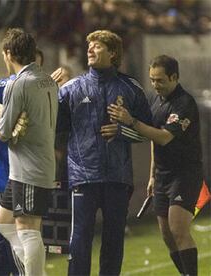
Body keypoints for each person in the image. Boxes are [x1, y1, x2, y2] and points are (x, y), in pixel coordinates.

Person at [56, 29, 152, 275]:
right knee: (79, 240)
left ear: (112, 54)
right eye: (89, 45)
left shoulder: (131, 88)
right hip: (83, 176)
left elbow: (148, 132)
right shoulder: (71, 89)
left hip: (117, 177)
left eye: (97, 46)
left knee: (113, 240)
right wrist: (50, 93)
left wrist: (123, 131)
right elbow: (55, 129)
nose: (90, 49)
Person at [108, 55, 203, 275]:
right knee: (167, 235)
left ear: (174, 77)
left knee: (178, 228)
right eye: (152, 80)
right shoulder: (157, 101)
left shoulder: (184, 103)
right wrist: (152, 174)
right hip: (163, 175)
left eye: (160, 80)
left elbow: (163, 137)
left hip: (185, 174)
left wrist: (131, 121)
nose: (155, 85)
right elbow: (154, 141)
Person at [0, 28, 58, 276]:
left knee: (28, 229)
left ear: (9, 54)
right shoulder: (47, 79)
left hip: (29, 168)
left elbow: (2, 132)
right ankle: (33, 272)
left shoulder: (18, 83)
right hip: (29, 166)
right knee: (4, 224)